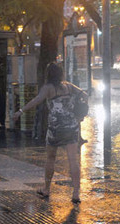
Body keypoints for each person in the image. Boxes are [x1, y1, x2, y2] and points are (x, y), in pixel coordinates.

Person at [14, 62, 88, 203]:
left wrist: (21, 111)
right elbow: (85, 95)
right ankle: (76, 193)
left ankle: (47, 189)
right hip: (71, 127)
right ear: (61, 73)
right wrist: (81, 115)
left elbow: (36, 100)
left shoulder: (48, 88)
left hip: (55, 128)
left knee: (50, 158)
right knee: (73, 159)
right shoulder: (69, 86)